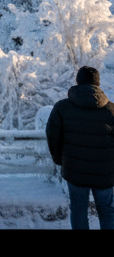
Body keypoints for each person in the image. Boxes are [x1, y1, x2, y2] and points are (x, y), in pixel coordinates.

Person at [45, 66, 114, 230]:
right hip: (105, 172)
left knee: (78, 210)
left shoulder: (62, 107)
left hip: (75, 170)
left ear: (78, 81)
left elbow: (52, 135)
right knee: (106, 210)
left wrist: (59, 160)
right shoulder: (111, 109)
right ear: (98, 84)